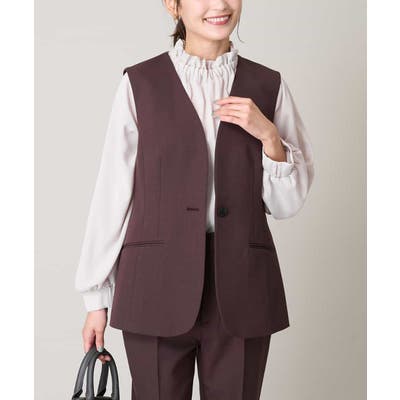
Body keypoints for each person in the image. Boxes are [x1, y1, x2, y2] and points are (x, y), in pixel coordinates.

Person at [75, 0, 314, 398]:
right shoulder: (140, 83)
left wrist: (269, 136)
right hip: (154, 286)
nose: (219, 5)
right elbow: (112, 192)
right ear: (173, 5)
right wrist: (95, 297)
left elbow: (286, 205)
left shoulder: (269, 86)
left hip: (242, 287)